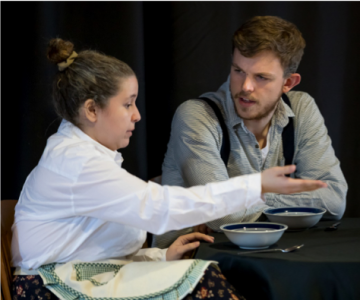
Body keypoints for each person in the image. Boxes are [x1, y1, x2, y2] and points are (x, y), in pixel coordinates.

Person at [11, 38, 325, 300]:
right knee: (205, 283)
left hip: (80, 275)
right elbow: (160, 210)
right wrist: (256, 186)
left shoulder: (83, 154)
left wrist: (159, 256)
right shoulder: (77, 163)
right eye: (128, 103)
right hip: (49, 288)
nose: (137, 116)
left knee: (206, 276)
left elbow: (93, 250)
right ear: (92, 109)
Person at [154, 15, 347, 248]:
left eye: (261, 77)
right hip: (192, 264)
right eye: (238, 71)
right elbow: (221, 215)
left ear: (288, 83)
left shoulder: (301, 108)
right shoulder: (197, 115)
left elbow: (335, 200)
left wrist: (247, 197)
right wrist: (288, 204)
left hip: (271, 256)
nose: (245, 86)